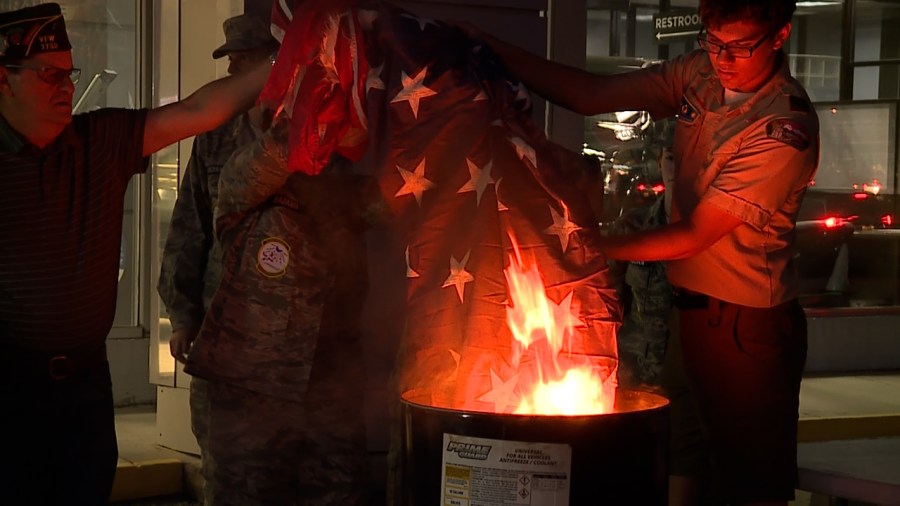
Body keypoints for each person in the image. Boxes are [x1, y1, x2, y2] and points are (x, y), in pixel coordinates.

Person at [463, 0, 819, 504]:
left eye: (740, 47)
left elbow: (696, 233)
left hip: (744, 325)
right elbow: (590, 95)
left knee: (749, 480)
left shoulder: (783, 127)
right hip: (688, 308)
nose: (723, 58)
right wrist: (491, 47)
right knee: (683, 454)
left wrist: (587, 247)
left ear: (780, 35)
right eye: (713, 41)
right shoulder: (698, 73)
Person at [0, 3, 271, 505]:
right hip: (9, 386)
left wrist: (295, 58)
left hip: (84, 387)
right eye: (48, 75)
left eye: (69, 74)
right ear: (5, 79)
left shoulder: (99, 141)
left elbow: (197, 111)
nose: (65, 86)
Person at [182, 115, 386, 504]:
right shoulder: (240, 177)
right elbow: (191, 231)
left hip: (328, 378)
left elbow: (398, 201)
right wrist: (183, 312)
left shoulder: (340, 185)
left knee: (336, 492)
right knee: (246, 491)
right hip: (251, 379)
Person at [156, 12, 278, 502]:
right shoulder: (216, 134)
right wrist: (182, 314)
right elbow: (189, 226)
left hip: (295, 335)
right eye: (233, 61)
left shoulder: (310, 131)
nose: (235, 71)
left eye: (247, 60)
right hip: (222, 325)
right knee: (224, 465)